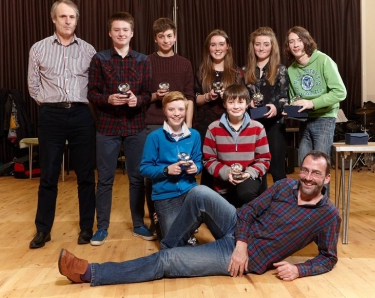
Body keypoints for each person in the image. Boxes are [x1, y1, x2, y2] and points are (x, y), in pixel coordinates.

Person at [58, 150, 341, 286]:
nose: (307, 177)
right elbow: (250, 211)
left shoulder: (328, 215)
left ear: (326, 178)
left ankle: (90, 273)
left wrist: (299, 270)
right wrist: (241, 240)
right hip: (239, 231)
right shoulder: (285, 185)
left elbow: (328, 257)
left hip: (247, 255)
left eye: (315, 173)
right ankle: (172, 247)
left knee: (167, 261)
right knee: (199, 192)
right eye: (305, 170)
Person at [27, 0, 96, 249]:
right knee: (48, 175)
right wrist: (49, 105)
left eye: (72, 17)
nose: (67, 21)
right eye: (62, 16)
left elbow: (95, 85)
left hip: (81, 114)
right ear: (53, 19)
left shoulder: (89, 50)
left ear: (77, 20)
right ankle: (43, 230)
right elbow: (33, 85)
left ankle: (87, 227)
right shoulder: (39, 49)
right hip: (51, 116)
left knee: (86, 175)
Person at [87, 12, 154, 246]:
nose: (121, 33)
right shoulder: (99, 59)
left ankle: (138, 224)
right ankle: (101, 227)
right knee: (105, 179)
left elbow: (148, 93)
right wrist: (108, 99)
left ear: (132, 33)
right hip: (107, 127)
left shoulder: (144, 60)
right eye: (117, 30)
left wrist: (139, 100)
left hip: (136, 126)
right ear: (110, 33)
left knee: (137, 178)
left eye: (125, 30)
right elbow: (92, 93)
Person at [144, 17, 195, 231]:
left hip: (180, 126)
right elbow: (141, 96)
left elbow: (190, 97)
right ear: (156, 39)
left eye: (169, 36)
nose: (166, 40)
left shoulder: (184, 63)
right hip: (153, 124)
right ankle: (156, 217)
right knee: (155, 173)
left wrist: (188, 128)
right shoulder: (146, 61)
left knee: (182, 169)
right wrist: (156, 95)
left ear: (175, 37)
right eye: (161, 36)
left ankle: (182, 218)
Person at [140, 91, 206, 241]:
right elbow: (144, 169)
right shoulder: (154, 137)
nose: (177, 114)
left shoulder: (194, 135)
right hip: (165, 194)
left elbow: (198, 161)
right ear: (164, 111)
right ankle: (159, 220)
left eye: (181, 109)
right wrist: (166, 170)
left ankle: (187, 231)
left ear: (186, 110)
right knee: (171, 243)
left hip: (189, 191)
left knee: (206, 205)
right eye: (171, 110)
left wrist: (196, 168)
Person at [284, 26, 347, 166]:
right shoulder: (291, 69)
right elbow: (295, 98)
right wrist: (289, 108)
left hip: (324, 119)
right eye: (291, 41)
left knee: (319, 166)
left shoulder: (324, 60)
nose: (295, 45)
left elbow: (340, 92)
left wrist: (312, 103)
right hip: (304, 120)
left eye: (299, 40)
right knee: (304, 164)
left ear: (307, 41)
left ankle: (324, 189)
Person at [203, 84, 271, 207]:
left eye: (240, 102)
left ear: (247, 104)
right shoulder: (213, 128)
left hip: (249, 178)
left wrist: (249, 173)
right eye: (231, 102)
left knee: (246, 193)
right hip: (223, 182)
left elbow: (264, 159)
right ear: (224, 104)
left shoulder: (258, 128)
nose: (236, 106)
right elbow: (208, 159)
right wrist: (227, 172)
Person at [194, 29, 245, 188]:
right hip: (206, 125)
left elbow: (242, 100)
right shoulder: (202, 71)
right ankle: (207, 206)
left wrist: (228, 97)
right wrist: (207, 96)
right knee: (208, 165)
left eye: (221, 44)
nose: (217, 48)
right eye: (213, 45)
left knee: (229, 163)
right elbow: (195, 99)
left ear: (227, 47)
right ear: (208, 48)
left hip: (229, 125)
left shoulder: (236, 73)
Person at [244, 27, 289, 184]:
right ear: (253, 46)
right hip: (252, 126)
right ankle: (258, 206)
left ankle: (283, 207)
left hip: (275, 125)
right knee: (255, 170)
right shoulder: (245, 71)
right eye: (257, 44)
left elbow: (285, 98)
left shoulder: (280, 70)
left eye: (265, 44)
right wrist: (247, 103)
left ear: (272, 46)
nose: (261, 48)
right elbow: (241, 98)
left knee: (277, 170)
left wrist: (276, 107)